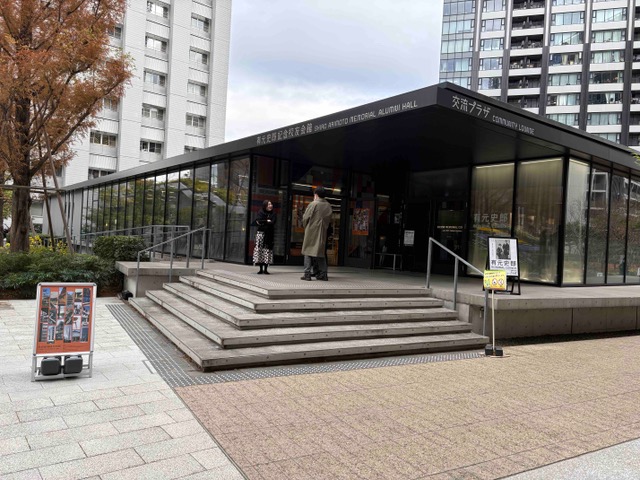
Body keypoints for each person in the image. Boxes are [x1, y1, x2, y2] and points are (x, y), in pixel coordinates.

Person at [301, 186, 332, 281]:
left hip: (311, 230)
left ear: (316, 195)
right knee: (320, 252)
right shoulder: (328, 205)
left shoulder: (313, 204)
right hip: (322, 231)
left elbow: (305, 218)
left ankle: (307, 274)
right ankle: (323, 274)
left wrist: (306, 226)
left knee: (307, 251)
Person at [252, 200, 276, 274]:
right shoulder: (261, 212)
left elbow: (273, 222)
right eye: (269, 204)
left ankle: (265, 269)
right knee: (260, 250)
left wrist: (264, 222)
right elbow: (258, 221)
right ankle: (260, 269)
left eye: (271, 204)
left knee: (267, 251)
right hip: (261, 234)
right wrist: (266, 221)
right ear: (265, 206)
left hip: (269, 234)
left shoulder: (273, 213)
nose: (270, 205)